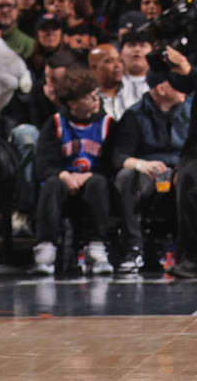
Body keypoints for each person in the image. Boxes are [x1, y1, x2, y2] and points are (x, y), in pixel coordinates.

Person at [30, 67, 115, 276]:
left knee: (99, 182)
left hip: (92, 181)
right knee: (51, 184)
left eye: (96, 95)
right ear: (73, 103)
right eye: (89, 97)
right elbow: (43, 163)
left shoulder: (108, 124)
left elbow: (112, 163)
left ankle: (96, 248)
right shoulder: (55, 123)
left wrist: (87, 176)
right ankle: (46, 250)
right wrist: (65, 175)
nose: (96, 100)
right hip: (63, 181)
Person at [106, 69, 187, 276]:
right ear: (161, 89)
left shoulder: (189, 111)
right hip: (149, 172)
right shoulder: (135, 115)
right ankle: (134, 248)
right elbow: (119, 158)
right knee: (126, 179)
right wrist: (142, 165)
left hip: (183, 169)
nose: (185, 89)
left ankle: (188, 251)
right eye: (177, 83)